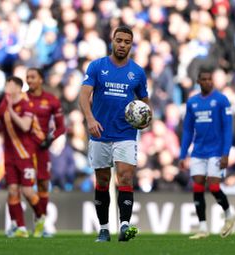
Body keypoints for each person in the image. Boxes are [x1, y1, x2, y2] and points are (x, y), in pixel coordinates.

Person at [79, 26, 151, 242]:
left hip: (126, 133)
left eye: (127, 42)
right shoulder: (97, 66)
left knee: (126, 176)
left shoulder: (137, 72)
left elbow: (144, 102)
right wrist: (90, 119)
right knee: (102, 180)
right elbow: (83, 96)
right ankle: (103, 228)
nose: (122, 45)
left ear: (131, 44)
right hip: (100, 132)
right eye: (119, 40)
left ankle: (125, 226)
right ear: (113, 41)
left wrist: (146, 118)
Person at [178, 68, 235, 239]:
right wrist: (183, 155)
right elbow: (188, 130)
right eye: (204, 79)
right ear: (198, 81)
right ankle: (203, 227)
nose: (207, 82)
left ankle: (228, 214)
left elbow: (228, 129)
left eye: (210, 79)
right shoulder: (192, 102)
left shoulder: (221, 100)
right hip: (198, 152)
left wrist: (225, 153)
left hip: (216, 151)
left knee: (213, 186)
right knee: (197, 186)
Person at [0, 76, 44, 238]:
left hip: (25, 154)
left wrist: (11, 110)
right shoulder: (4, 103)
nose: (6, 86)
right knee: (12, 190)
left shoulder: (26, 104)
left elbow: (25, 126)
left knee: (27, 190)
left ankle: (40, 216)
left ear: (18, 88)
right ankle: (20, 228)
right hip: (9, 155)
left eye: (10, 84)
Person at [26, 67, 66, 237]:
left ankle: (39, 225)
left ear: (41, 80)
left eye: (33, 77)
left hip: (42, 149)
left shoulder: (51, 100)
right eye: (27, 77)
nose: (29, 80)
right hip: (24, 149)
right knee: (23, 187)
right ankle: (22, 223)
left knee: (42, 184)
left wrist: (50, 139)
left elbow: (61, 127)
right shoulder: (21, 99)